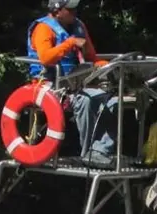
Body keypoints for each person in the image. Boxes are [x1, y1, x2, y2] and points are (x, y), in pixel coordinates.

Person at [27, 0, 120, 166]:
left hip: (78, 82)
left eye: (75, 8)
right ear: (57, 10)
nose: (74, 12)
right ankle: (88, 154)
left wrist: (108, 67)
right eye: (70, 9)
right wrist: (70, 43)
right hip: (50, 83)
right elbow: (45, 58)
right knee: (86, 100)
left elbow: (92, 57)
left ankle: (100, 150)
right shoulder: (43, 28)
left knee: (113, 100)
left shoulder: (79, 26)